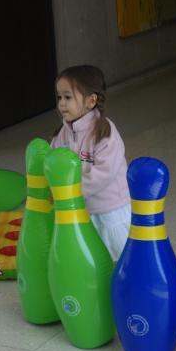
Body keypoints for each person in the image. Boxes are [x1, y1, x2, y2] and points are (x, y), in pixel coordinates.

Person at [51, 65, 130, 261]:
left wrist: (69, 192)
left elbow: (103, 173)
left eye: (68, 97)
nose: (62, 104)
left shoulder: (104, 132)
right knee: (92, 259)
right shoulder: (63, 133)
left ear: (91, 101)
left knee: (120, 256)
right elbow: (52, 161)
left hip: (111, 211)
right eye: (59, 97)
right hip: (84, 210)